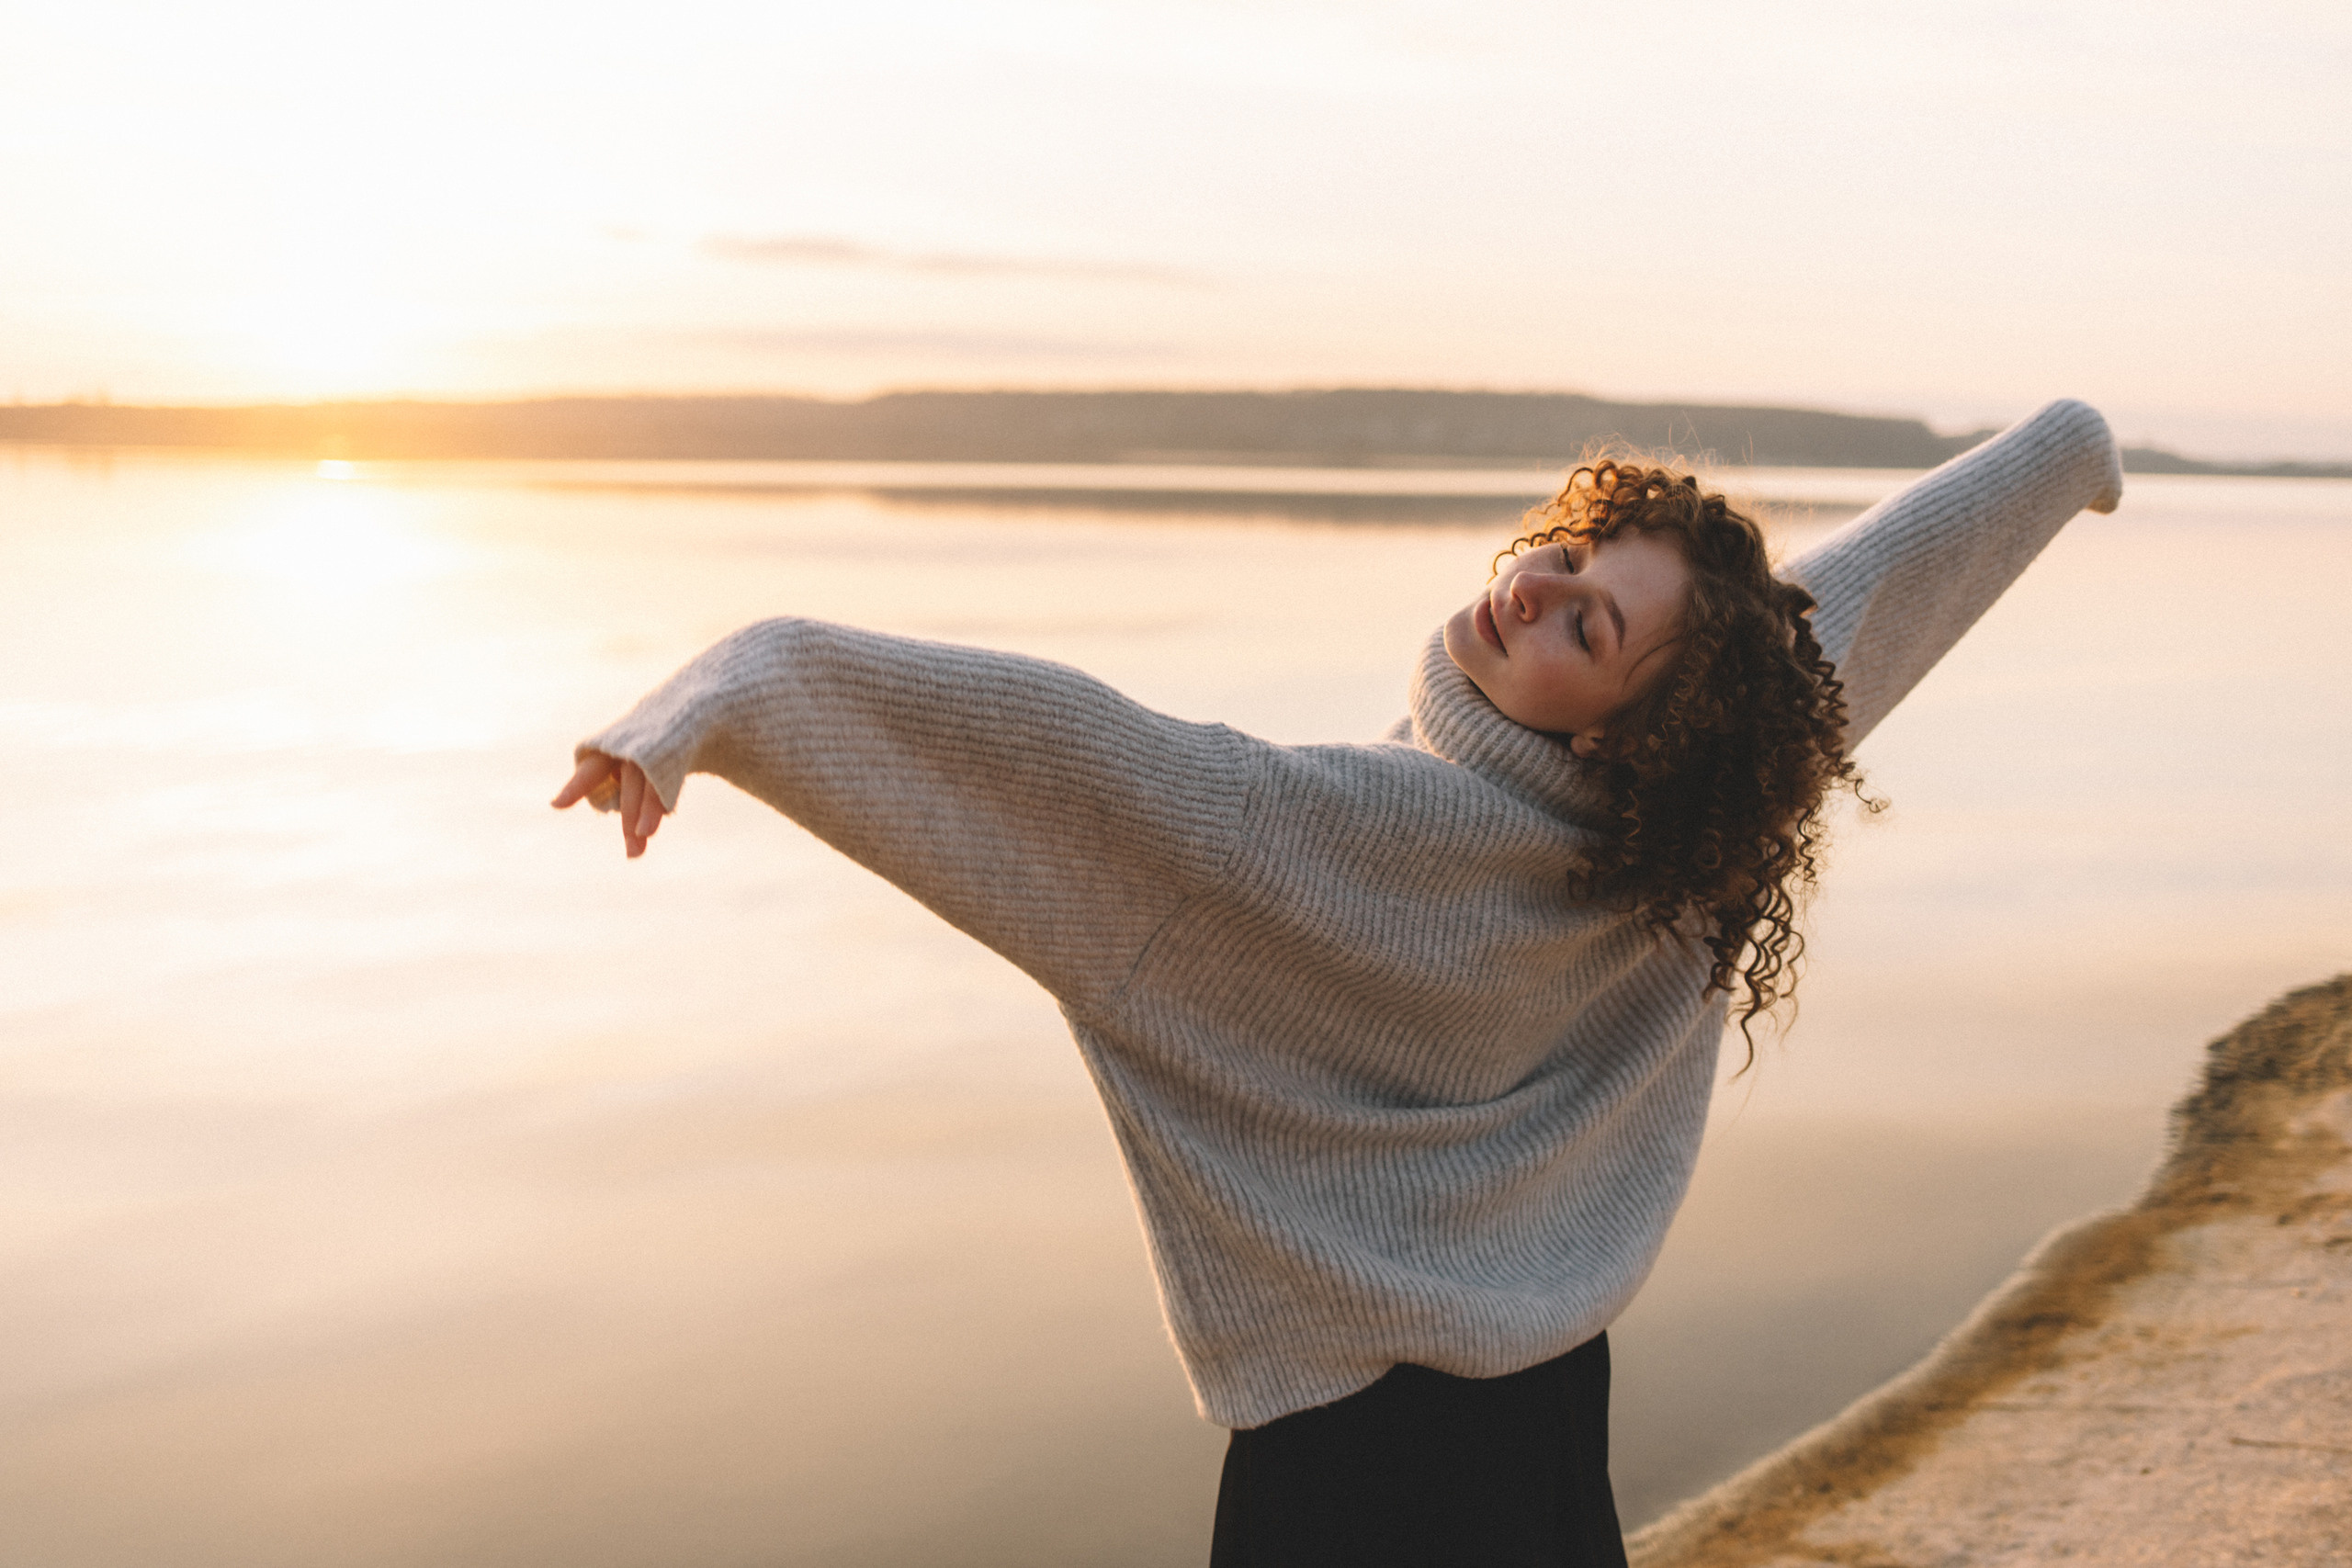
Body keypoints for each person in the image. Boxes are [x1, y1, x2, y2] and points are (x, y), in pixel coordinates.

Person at [553, 400, 2123, 1566]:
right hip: (1544, 1430)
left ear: (1618, 730)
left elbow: (1046, 757)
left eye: (1589, 622)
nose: (1536, 589)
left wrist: (731, 697)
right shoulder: (1681, 852)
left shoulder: (1316, 833)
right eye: (1566, 553)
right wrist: (2059, 455)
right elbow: (1869, 605)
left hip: (1339, 1477)